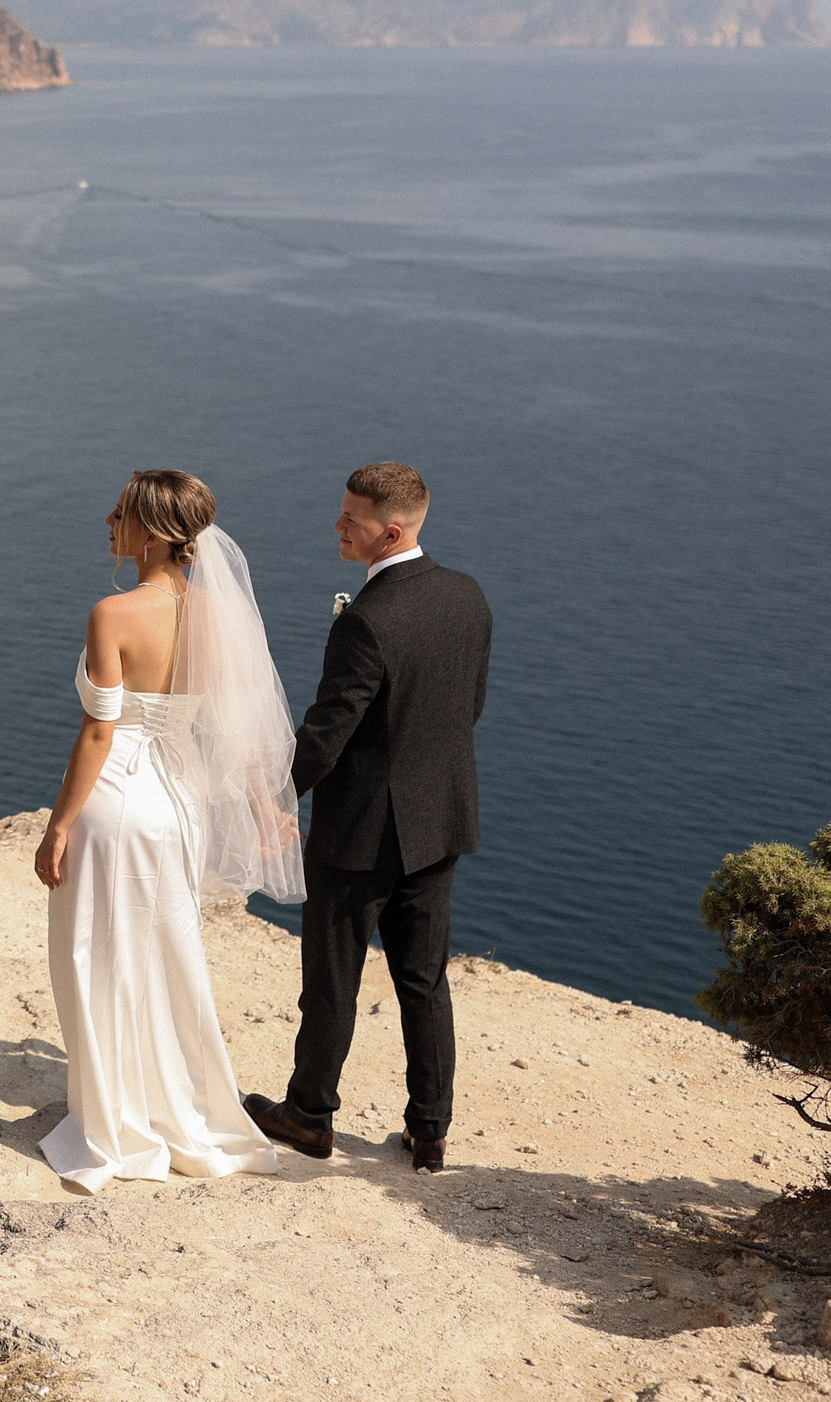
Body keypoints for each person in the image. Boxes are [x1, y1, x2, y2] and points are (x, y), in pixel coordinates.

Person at [33, 469, 302, 1194]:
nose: (106, 519)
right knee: (168, 953)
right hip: (179, 803)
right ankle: (176, 1106)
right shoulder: (220, 613)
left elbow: (99, 732)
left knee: (95, 955)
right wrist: (261, 800)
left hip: (117, 801)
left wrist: (57, 827)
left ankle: (115, 1121)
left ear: (149, 533)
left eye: (118, 512)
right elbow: (236, 719)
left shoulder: (113, 613)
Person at [245, 461, 492, 1174]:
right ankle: (430, 1131)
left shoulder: (367, 622)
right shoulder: (466, 596)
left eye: (349, 519)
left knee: (333, 978)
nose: (336, 526)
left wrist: (273, 797)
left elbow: (327, 733)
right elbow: (468, 706)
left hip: (358, 833)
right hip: (439, 820)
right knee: (424, 980)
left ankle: (310, 1115)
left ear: (388, 532)